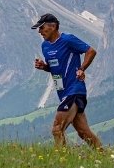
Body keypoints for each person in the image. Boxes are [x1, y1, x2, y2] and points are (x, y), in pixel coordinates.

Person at [32, 13, 102, 149]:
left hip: (74, 90)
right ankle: (105, 157)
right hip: (63, 93)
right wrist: (44, 66)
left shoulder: (68, 39)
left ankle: (61, 163)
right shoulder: (45, 46)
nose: (39, 31)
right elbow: (55, 67)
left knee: (57, 129)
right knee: (83, 133)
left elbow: (91, 51)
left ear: (53, 26)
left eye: (41, 27)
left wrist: (82, 69)